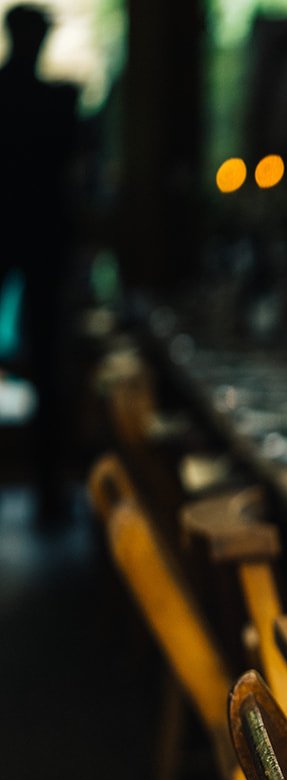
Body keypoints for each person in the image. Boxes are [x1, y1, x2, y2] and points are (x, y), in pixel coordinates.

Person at [0, 4, 79, 521]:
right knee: (48, 367)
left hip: (40, 243)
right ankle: (50, 492)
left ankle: (51, 490)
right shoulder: (57, 101)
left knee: (49, 367)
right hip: (41, 240)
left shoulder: (56, 99)